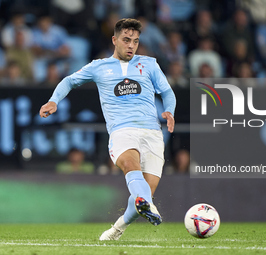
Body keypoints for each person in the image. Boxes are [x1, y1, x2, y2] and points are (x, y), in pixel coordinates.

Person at [39, 18, 176, 240]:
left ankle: (117, 228)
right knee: (132, 167)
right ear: (115, 40)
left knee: (143, 196)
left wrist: (169, 110)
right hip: (122, 131)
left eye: (135, 41)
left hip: (152, 133)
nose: (131, 45)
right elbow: (69, 81)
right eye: (126, 40)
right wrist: (53, 101)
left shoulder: (150, 64)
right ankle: (150, 206)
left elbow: (167, 92)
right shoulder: (98, 66)